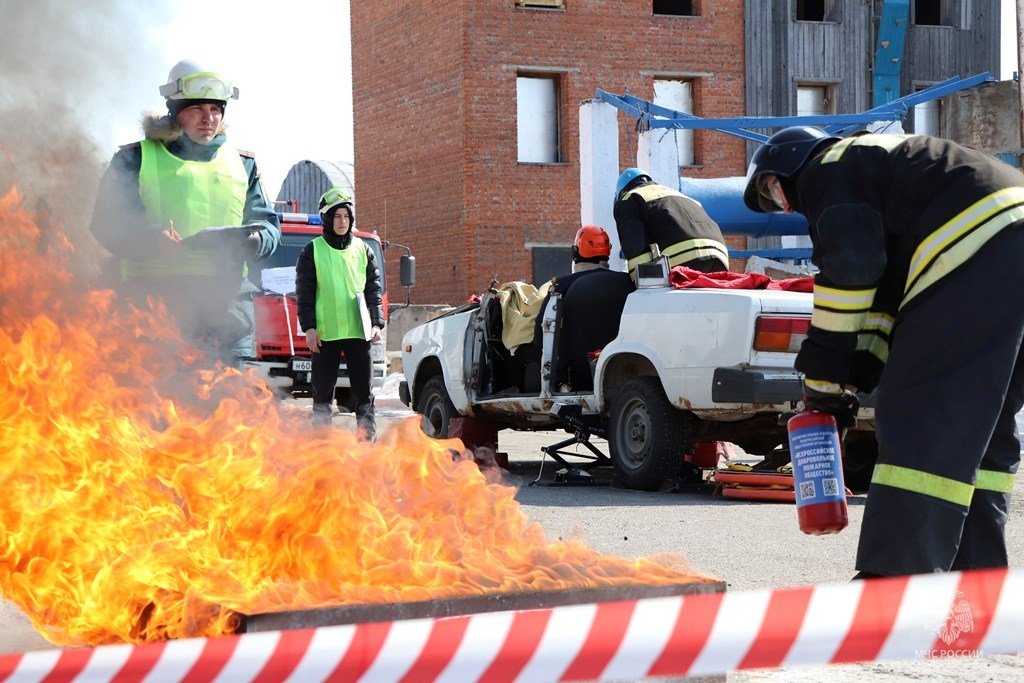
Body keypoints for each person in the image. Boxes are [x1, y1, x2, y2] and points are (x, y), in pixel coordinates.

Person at [743, 126, 1024, 577]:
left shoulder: (828, 167)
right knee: (983, 429)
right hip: (1005, 242)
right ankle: (976, 584)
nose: (788, 207)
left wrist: (821, 384)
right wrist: (851, 379)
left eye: (774, 193)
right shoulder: (891, 174)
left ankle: (892, 583)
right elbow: (881, 306)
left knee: (919, 411)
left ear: (790, 166)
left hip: (978, 244)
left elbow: (851, 271)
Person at [89, 59, 280, 362]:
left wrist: (254, 241)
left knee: (232, 405)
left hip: (226, 310)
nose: (209, 118)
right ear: (175, 111)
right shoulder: (134, 158)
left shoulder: (243, 164)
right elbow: (108, 222)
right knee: (151, 405)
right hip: (154, 306)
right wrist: (152, 239)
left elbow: (267, 224)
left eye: (216, 109)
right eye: (197, 109)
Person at [295, 187, 383, 438]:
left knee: (364, 393)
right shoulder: (312, 251)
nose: (342, 221)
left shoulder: (363, 250)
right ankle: (322, 445)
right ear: (327, 219)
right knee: (322, 394)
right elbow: (305, 294)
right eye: (337, 216)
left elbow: (373, 291)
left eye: (346, 216)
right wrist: (309, 328)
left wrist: (376, 323)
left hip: (359, 333)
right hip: (325, 335)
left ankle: (367, 443)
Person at [613, 168, 729, 277]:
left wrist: (640, 282)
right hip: (720, 258)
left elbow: (634, 244)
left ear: (622, 191)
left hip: (683, 258)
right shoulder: (679, 195)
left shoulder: (628, 198)